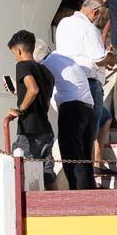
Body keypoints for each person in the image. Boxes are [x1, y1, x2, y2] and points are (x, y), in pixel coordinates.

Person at [55, 0, 116, 176]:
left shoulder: (63, 24)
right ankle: (89, 172)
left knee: (104, 117)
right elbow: (99, 58)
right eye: (101, 17)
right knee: (89, 132)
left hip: (67, 84)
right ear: (96, 12)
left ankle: (97, 161)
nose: (100, 21)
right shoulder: (90, 28)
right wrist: (112, 58)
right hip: (89, 84)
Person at [37, 45, 96, 190]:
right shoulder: (62, 56)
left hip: (71, 109)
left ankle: (80, 199)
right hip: (88, 108)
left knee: (72, 159)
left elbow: (38, 92)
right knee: (85, 159)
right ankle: (92, 197)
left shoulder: (45, 66)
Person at [5, 30, 56, 189]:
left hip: (29, 131)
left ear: (18, 50)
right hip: (46, 130)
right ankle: (55, 209)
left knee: (23, 174)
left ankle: (27, 212)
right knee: (48, 175)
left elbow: (33, 89)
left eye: (14, 53)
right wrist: (17, 92)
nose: (14, 56)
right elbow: (45, 102)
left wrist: (19, 110)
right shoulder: (47, 72)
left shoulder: (22, 65)